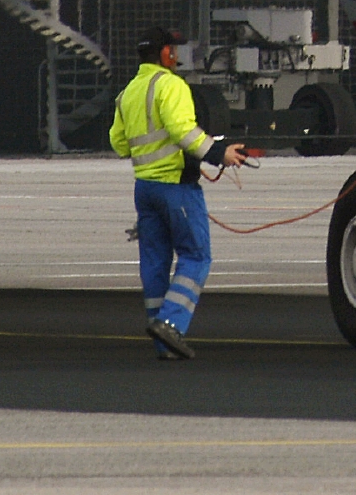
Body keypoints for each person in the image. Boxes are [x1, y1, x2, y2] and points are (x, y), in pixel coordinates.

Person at [109, 26, 259, 359]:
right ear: (166, 54)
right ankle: (171, 323)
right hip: (176, 188)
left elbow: (119, 143)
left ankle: (163, 343)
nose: (177, 55)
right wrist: (219, 153)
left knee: (155, 262)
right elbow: (183, 131)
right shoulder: (171, 85)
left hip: (144, 189)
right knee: (196, 256)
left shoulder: (128, 92)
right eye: (174, 49)